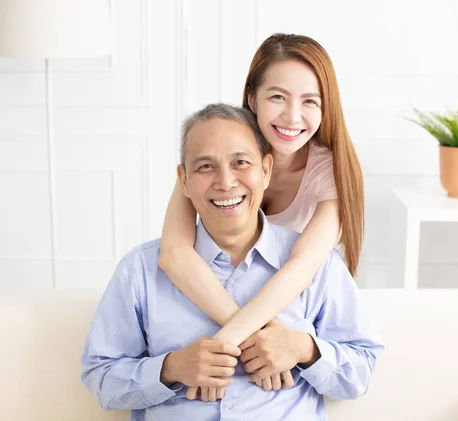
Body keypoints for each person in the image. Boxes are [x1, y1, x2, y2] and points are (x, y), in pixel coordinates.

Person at [80, 104, 383, 421]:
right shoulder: (139, 271)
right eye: (205, 167)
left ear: (266, 170)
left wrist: (304, 349)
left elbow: (361, 371)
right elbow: (100, 378)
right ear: (183, 180)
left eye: (241, 163)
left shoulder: (320, 266)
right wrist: (171, 368)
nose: (225, 182)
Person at [158, 33, 364, 399]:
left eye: (310, 102)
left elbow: (301, 269)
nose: (292, 116)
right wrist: (248, 341)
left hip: (296, 313)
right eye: (277, 98)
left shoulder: (329, 171)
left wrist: (231, 343)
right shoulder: (217, 155)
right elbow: (175, 255)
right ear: (252, 98)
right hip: (232, 308)